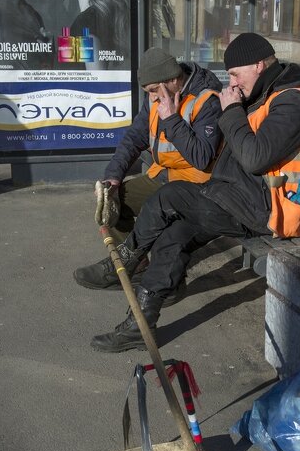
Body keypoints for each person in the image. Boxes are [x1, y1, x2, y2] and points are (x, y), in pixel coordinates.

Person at [88, 32, 300, 353]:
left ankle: (124, 260)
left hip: (268, 209)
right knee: (175, 235)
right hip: (237, 197)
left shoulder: (292, 101)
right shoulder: (265, 91)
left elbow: (254, 158)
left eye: (236, 74)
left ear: (258, 64)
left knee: (166, 199)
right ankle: (138, 324)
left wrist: (231, 111)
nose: (233, 83)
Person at [73, 46, 223, 292]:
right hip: (164, 176)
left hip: (198, 185)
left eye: (154, 90)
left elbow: (202, 158)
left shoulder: (207, 101)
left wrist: (172, 119)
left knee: (168, 222)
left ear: (173, 80)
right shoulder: (156, 96)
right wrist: (113, 178)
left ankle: (167, 285)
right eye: (148, 92)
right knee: (114, 199)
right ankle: (136, 264)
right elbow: (134, 138)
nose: (152, 97)